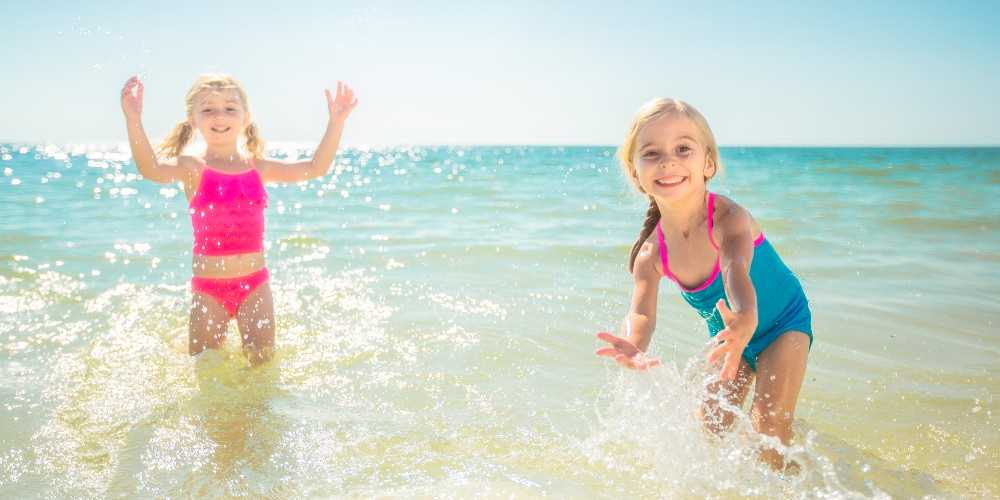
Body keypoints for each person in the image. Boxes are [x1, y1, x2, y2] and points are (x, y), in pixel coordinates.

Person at [595, 98, 812, 471]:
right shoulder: (651, 253)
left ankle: (792, 483)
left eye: (683, 149)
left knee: (769, 435)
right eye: (652, 153)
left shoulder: (728, 218)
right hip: (729, 339)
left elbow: (735, 271)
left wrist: (745, 317)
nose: (668, 161)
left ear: (707, 163)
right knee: (708, 428)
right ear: (635, 173)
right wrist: (632, 344)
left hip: (781, 326)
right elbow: (641, 312)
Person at [119, 73, 358, 365]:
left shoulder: (258, 167)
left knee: (262, 368)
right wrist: (133, 119)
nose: (220, 116)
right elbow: (150, 168)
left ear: (245, 117)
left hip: (255, 287)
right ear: (193, 119)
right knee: (207, 371)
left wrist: (336, 122)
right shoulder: (192, 167)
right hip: (209, 290)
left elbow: (315, 167)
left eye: (230, 108)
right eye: (208, 109)